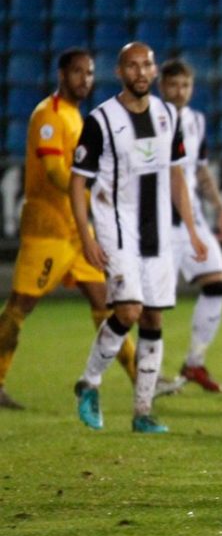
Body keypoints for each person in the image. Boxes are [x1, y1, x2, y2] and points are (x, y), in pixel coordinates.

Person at [69, 42, 206, 433]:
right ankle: (89, 383)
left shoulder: (167, 115)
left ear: (155, 69)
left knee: (152, 315)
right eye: (133, 66)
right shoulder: (101, 120)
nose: (141, 72)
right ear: (120, 72)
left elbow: (177, 173)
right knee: (128, 310)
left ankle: (142, 412)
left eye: (147, 64)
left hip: (158, 230)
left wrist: (192, 229)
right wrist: (86, 236)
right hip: (117, 226)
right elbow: (77, 183)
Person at [0, 48, 139, 410]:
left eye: (90, 73)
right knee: (19, 307)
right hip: (47, 230)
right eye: (78, 72)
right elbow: (53, 172)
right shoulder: (48, 115)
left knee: (110, 302)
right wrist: (91, 191)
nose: (85, 79)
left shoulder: (78, 119)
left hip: (78, 233)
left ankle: (143, 378)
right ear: (62, 74)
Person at [156, 58, 222, 394]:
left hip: (193, 221)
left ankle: (194, 362)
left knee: (215, 284)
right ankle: (150, 375)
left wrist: (219, 207)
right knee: (154, 305)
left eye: (185, 85)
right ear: (162, 87)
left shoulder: (195, 121)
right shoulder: (151, 121)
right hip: (158, 222)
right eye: (173, 85)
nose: (179, 91)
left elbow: (199, 170)